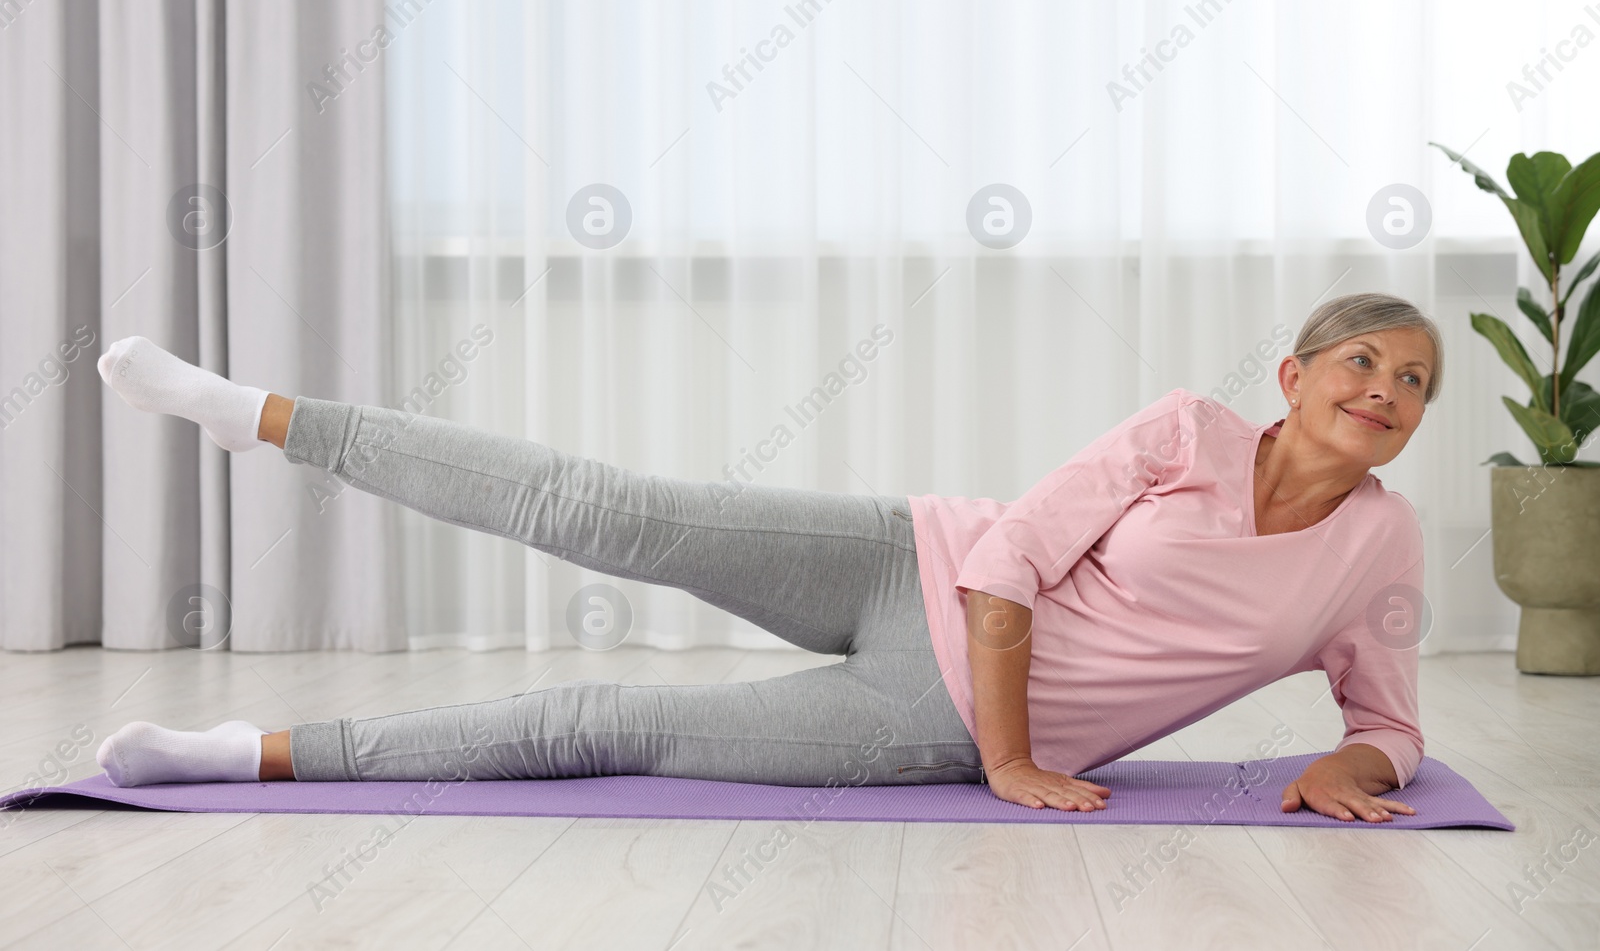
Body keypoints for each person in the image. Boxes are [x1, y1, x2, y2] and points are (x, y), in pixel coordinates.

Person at [93, 291, 1438, 823]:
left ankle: (239, 754)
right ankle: (257, 417)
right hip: (908, 559)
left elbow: (1391, 719)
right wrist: (1023, 764)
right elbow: (1014, 557)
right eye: (1359, 361)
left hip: (924, 717)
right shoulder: (1187, 430)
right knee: (600, 507)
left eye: (1414, 381)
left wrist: (1351, 764)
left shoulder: (1377, 547)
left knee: (592, 721)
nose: (1382, 389)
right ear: (1294, 375)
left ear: (1418, 418)